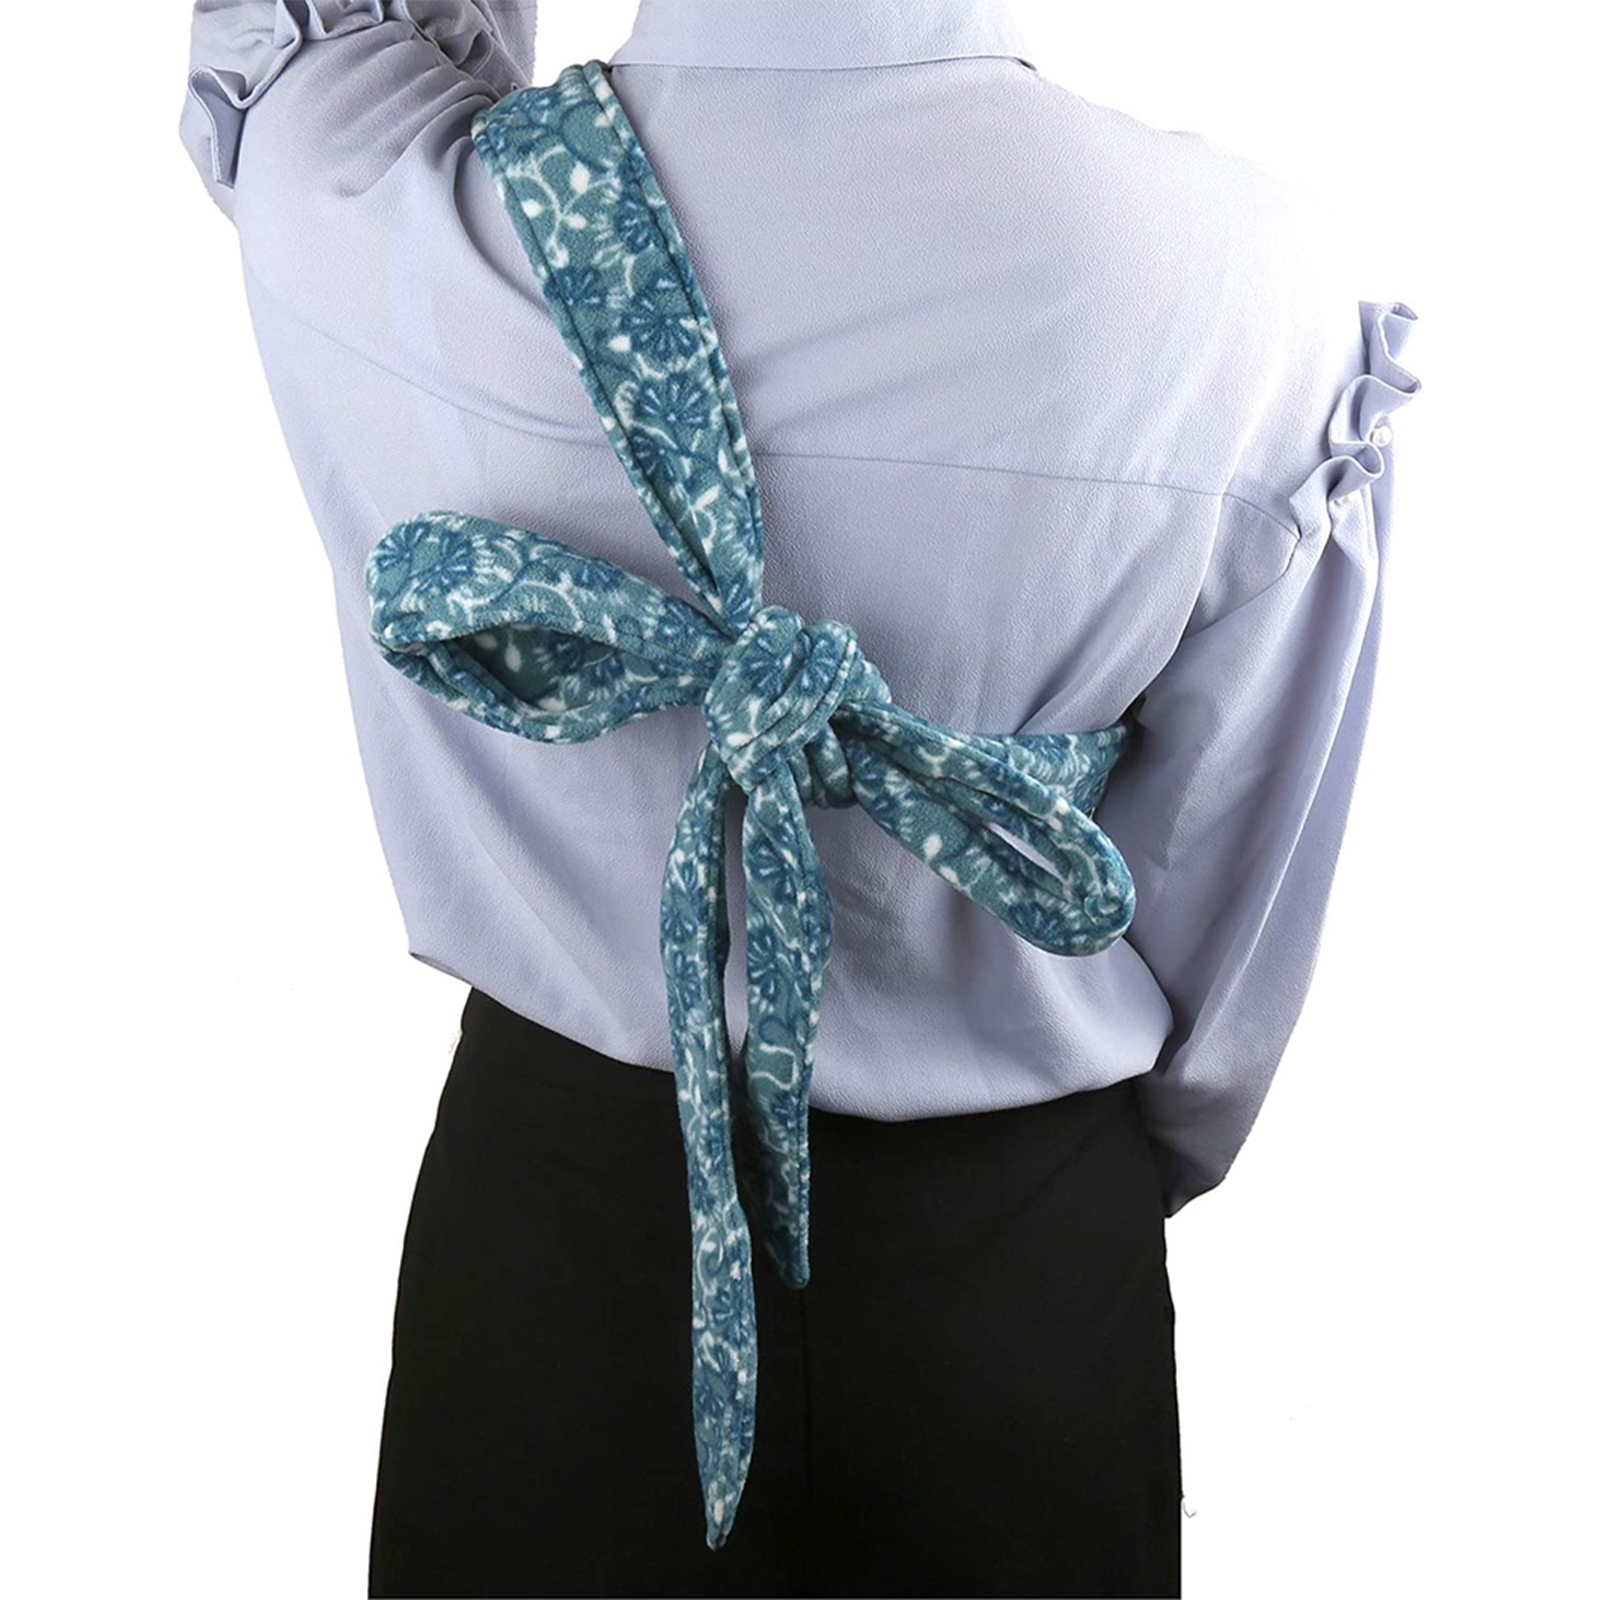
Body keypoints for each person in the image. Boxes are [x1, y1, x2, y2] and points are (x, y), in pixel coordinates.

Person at [178, 2, 1419, 1595]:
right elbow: (1233, 873)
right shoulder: (1238, 279)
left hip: (560, 1263)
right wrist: (1090, 1179)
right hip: (1017, 1276)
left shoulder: (374, 211)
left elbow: (319, 45)